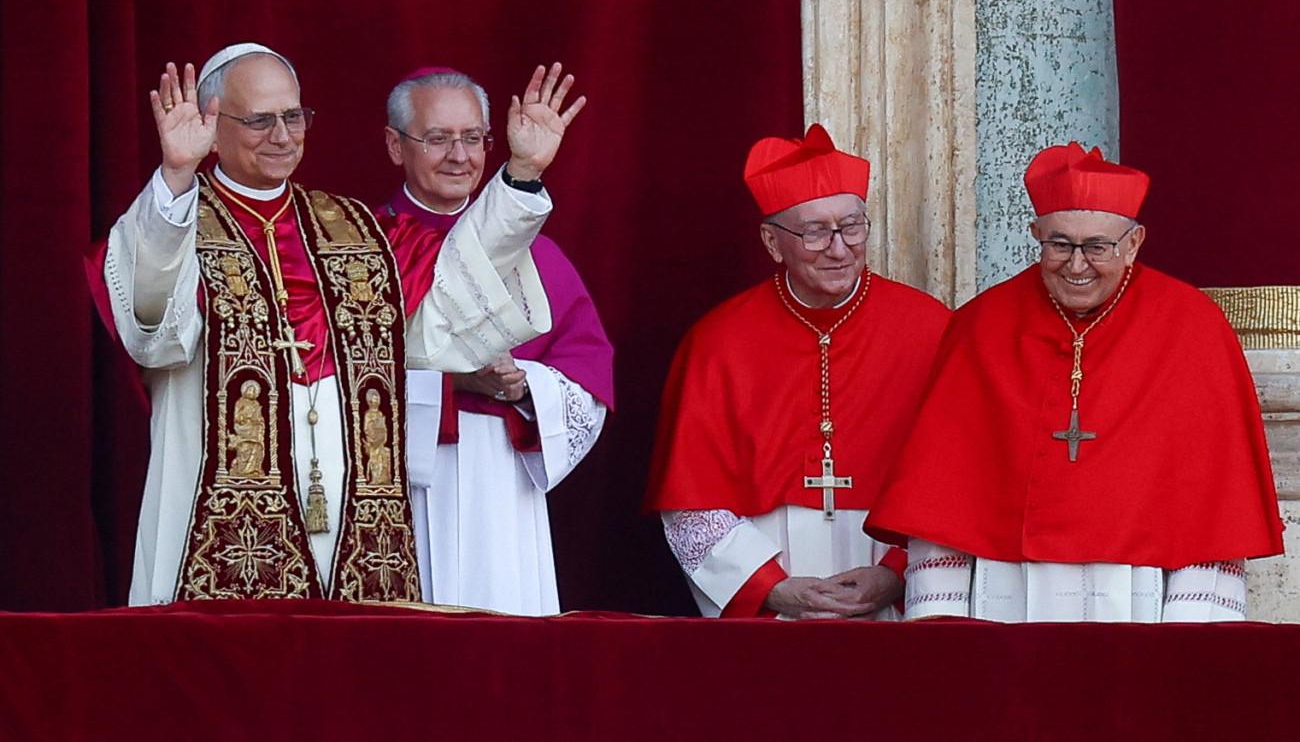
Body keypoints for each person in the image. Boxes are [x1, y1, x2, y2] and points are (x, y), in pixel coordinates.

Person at [101, 43, 583, 605]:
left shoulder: (356, 230)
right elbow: (152, 321)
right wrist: (177, 175)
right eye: (259, 120)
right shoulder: (173, 219)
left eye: (293, 116)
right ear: (210, 128)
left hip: (351, 523)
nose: (282, 136)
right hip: (215, 521)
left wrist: (522, 174)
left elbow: (459, 285)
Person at [865, 142, 1285, 622]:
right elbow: (941, 491)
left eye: (1097, 247)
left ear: (1134, 242)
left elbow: (1212, 501)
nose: (1077, 264)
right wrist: (939, 620)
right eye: (1060, 245)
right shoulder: (981, 325)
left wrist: (1191, 633)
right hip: (1006, 598)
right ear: (1036, 234)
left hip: (1143, 596)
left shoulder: (1192, 326)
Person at [644, 125, 950, 618]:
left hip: (897, 582)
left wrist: (897, 572)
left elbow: (957, 481)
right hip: (770, 587)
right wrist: (769, 588)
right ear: (772, 241)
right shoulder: (718, 342)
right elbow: (691, 504)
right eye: (815, 232)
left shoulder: (931, 328)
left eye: (852, 227)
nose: (838, 248)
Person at [380, 67, 614, 615]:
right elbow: (336, 377)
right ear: (395, 145)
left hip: (501, 482)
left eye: (472, 138)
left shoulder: (539, 257)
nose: (459, 156)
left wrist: (522, 385)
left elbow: (588, 374)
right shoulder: (364, 248)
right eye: (438, 138)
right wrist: (453, 383)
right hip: (398, 482)